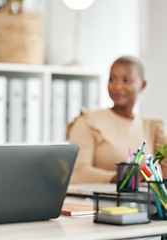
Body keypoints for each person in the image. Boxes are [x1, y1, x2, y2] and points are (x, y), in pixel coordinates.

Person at [68, 55, 167, 183]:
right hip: (100, 201)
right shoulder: (89, 121)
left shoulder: (152, 127)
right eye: (112, 79)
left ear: (142, 85)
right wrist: (124, 178)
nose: (117, 86)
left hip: (145, 202)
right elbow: (78, 174)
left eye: (126, 80)